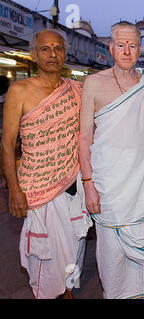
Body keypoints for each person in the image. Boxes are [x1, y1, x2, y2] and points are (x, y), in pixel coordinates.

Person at [79, 21, 144, 299]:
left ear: (140, 48)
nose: (126, 50)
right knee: (111, 255)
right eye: (120, 44)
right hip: (108, 186)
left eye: (132, 45)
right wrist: (88, 184)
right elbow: (85, 138)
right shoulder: (94, 83)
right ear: (110, 48)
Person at [1, 29, 90, 299]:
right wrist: (13, 191)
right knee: (44, 253)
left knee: (75, 242)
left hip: (73, 183)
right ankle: (47, 293)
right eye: (45, 49)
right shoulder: (19, 90)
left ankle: (69, 291)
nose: (53, 54)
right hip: (36, 189)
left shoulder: (76, 90)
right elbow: (6, 144)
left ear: (65, 54)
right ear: (33, 54)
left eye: (58, 48)